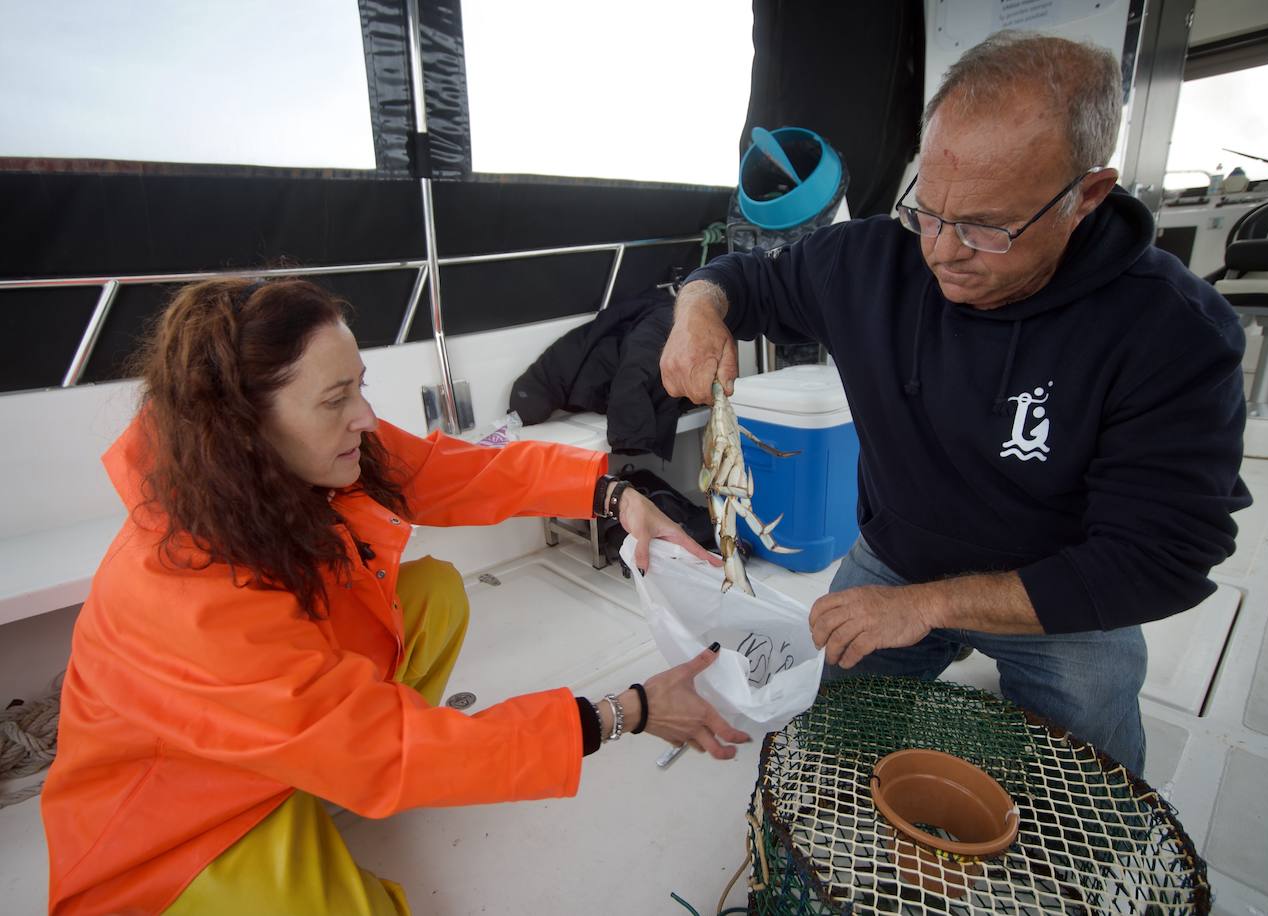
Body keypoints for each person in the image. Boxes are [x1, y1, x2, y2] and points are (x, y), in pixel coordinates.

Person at [41, 277, 750, 916]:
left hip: (277, 739)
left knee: (434, 594)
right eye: (336, 399)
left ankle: (319, 777)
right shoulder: (184, 593)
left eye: (359, 385)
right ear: (243, 430)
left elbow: (454, 471)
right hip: (181, 822)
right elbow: (390, 747)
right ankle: (316, 786)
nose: (368, 418)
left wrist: (611, 492)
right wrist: (628, 711)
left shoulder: (296, 457)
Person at [660, 31, 1251, 776]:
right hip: (895, 560)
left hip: (1054, 593)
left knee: (1094, 780)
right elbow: (742, 280)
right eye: (929, 212)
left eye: (985, 227)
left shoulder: (1174, 333)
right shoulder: (874, 260)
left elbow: (1161, 556)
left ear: (1087, 197)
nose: (942, 251)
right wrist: (698, 311)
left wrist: (930, 607)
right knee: (834, 747)